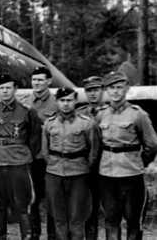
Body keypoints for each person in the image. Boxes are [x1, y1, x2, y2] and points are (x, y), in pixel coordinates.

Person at [97, 71, 157, 240]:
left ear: (126, 89)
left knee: (133, 220)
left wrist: (139, 161)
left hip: (131, 174)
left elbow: (152, 144)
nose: (115, 92)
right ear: (107, 91)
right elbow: (96, 142)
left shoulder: (138, 114)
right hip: (107, 174)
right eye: (111, 88)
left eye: (119, 87)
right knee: (111, 220)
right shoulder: (101, 114)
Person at [0, 73, 42, 240]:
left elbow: (35, 139)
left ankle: (27, 236)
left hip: (19, 162)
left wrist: (25, 155)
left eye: (8, 88)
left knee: (23, 204)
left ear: (15, 89)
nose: (5, 91)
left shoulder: (27, 111)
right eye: (1, 88)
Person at [43, 87, 99, 240]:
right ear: (57, 102)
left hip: (78, 174)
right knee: (59, 219)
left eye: (69, 100)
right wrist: (55, 165)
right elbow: (45, 151)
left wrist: (83, 167)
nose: (66, 104)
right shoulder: (49, 123)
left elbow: (93, 152)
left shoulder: (87, 124)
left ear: (75, 101)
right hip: (54, 173)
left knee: (77, 219)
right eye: (62, 100)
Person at [22, 66, 58, 240]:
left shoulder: (57, 103)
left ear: (49, 81)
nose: (36, 83)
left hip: (51, 159)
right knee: (31, 198)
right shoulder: (24, 102)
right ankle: (33, 234)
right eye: (34, 80)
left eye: (40, 79)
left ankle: (52, 235)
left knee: (52, 200)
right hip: (31, 158)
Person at [76, 75, 104, 240]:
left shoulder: (109, 111)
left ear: (102, 91)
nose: (93, 94)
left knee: (110, 210)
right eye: (89, 91)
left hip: (107, 167)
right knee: (87, 209)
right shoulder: (79, 113)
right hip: (85, 168)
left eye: (96, 90)